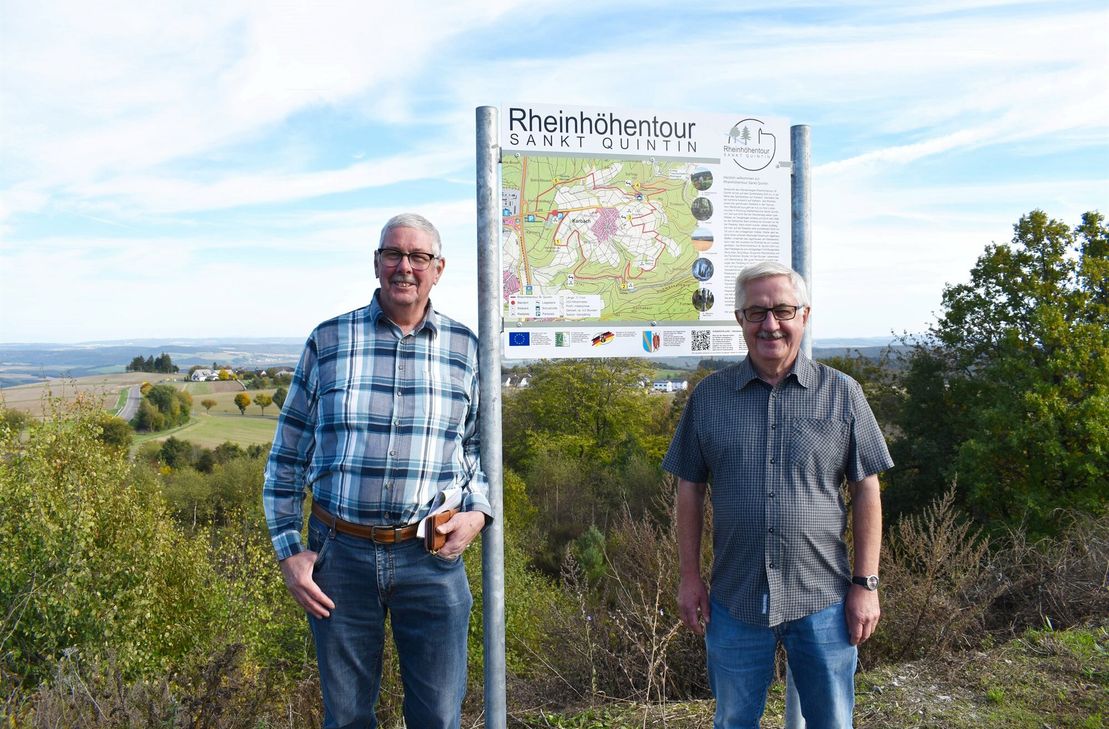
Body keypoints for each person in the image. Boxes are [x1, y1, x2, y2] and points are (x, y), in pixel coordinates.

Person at [262, 213, 491, 729]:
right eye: (393, 254)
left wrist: (477, 513)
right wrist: (288, 552)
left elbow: (477, 449)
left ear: (438, 269)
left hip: (430, 558)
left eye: (418, 257)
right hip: (338, 558)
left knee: (437, 717)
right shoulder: (328, 341)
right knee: (345, 719)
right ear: (376, 263)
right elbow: (286, 456)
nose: (404, 267)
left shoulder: (467, 349)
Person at [662, 261, 893, 729]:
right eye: (756, 312)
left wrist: (866, 584)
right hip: (735, 601)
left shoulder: (843, 394)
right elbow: (689, 489)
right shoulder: (709, 398)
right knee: (732, 721)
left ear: (804, 315)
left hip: (824, 599)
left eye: (783, 310)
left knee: (832, 722)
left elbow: (867, 488)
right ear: (740, 320)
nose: (771, 324)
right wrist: (689, 577)